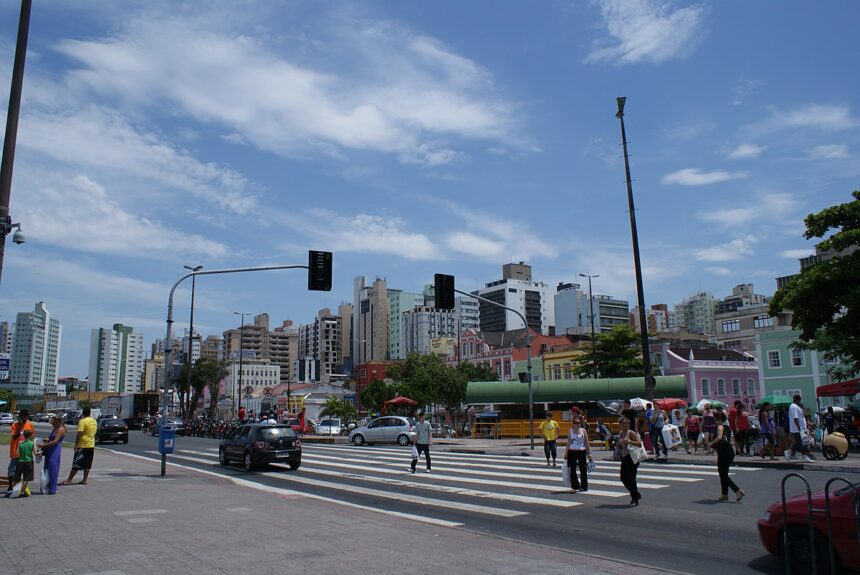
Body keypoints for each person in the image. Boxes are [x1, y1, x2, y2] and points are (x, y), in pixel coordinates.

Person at [709, 411, 745, 502]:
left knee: (723, 474)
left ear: (718, 419)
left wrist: (711, 444)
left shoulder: (720, 427)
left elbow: (719, 437)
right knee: (723, 473)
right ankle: (724, 494)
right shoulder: (726, 427)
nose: (714, 421)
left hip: (725, 452)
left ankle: (737, 490)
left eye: (715, 419)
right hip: (726, 451)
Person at [61, 406, 97, 486]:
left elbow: (79, 434)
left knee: (76, 462)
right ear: (90, 413)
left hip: (83, 445)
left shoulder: (83, 421)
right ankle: (85, 480)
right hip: (91, 445)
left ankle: (69, 480)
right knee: (88, 463)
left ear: (83, 413)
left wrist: (76, 444)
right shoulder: (94, 421)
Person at [5, 409, 35, 497]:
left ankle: (22, 489)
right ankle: (10, 487)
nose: (24, 419)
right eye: (23, 417)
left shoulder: (30, 425)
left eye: (26, 417)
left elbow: (32, 437)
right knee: (11, 470)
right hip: (15, 453)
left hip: (25, 454)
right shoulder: (14, 425)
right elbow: (14, 437)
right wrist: (20, 426)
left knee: (25, 472)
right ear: (20, 417)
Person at [616, 416, 642, 506]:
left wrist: (630, 441)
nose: (625, 425)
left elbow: (639, 444)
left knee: (631, 478)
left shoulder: (631, 433)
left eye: (627, 424)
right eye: (623, 424)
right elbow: (620, 444)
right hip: (624, 457)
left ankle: (635, 498)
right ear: (620, 425)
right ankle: (636, 494)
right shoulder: (620, 433)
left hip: (632, 457)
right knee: (623, 478)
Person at [39, 415, 66, 494]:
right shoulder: (55, 428)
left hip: (55, 450)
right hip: (50, 449)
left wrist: (43, 445)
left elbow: (55, 441)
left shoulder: (60, 429)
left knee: (53, 467)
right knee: (47, 468)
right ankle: (47, 486)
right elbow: (52, 439)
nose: (52, 424)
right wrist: (46, 440)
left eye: (53, 422)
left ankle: (53, 488)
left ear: (57, 422)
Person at [564, 415, 592, 493]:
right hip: (572, 451)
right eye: (576, 423)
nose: (577, 424)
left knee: (583, 469)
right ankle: (575, 486)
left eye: (579, 422)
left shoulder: (583, 430)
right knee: (572, 470)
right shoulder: (570, 431)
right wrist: (566, 453)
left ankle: (584, 486)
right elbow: (569, 442)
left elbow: (586, 442)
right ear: (573, 423)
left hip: (581, 451)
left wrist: (589, 454)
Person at [785, 394, 815, 463]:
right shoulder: (793, 407)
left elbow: (802, 418)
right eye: (800, 400)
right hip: (797, 429)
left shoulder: (797, 407)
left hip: (802, 428)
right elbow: (795, 418)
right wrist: (800, 428)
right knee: (799, 443)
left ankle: (804, 456)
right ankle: (789, 452)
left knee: (804, 443)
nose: (800, 402)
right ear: (798, 400)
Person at [12, 429, 36, 497]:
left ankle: (13, 491)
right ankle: (22, 492)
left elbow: (16, 454)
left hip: (20, 462)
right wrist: (39, 453)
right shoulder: (32, 443)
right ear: (30, 436)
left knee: (17, 477)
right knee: (26, 478)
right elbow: (35, 453)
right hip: (29, 462)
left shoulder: (20, 443)